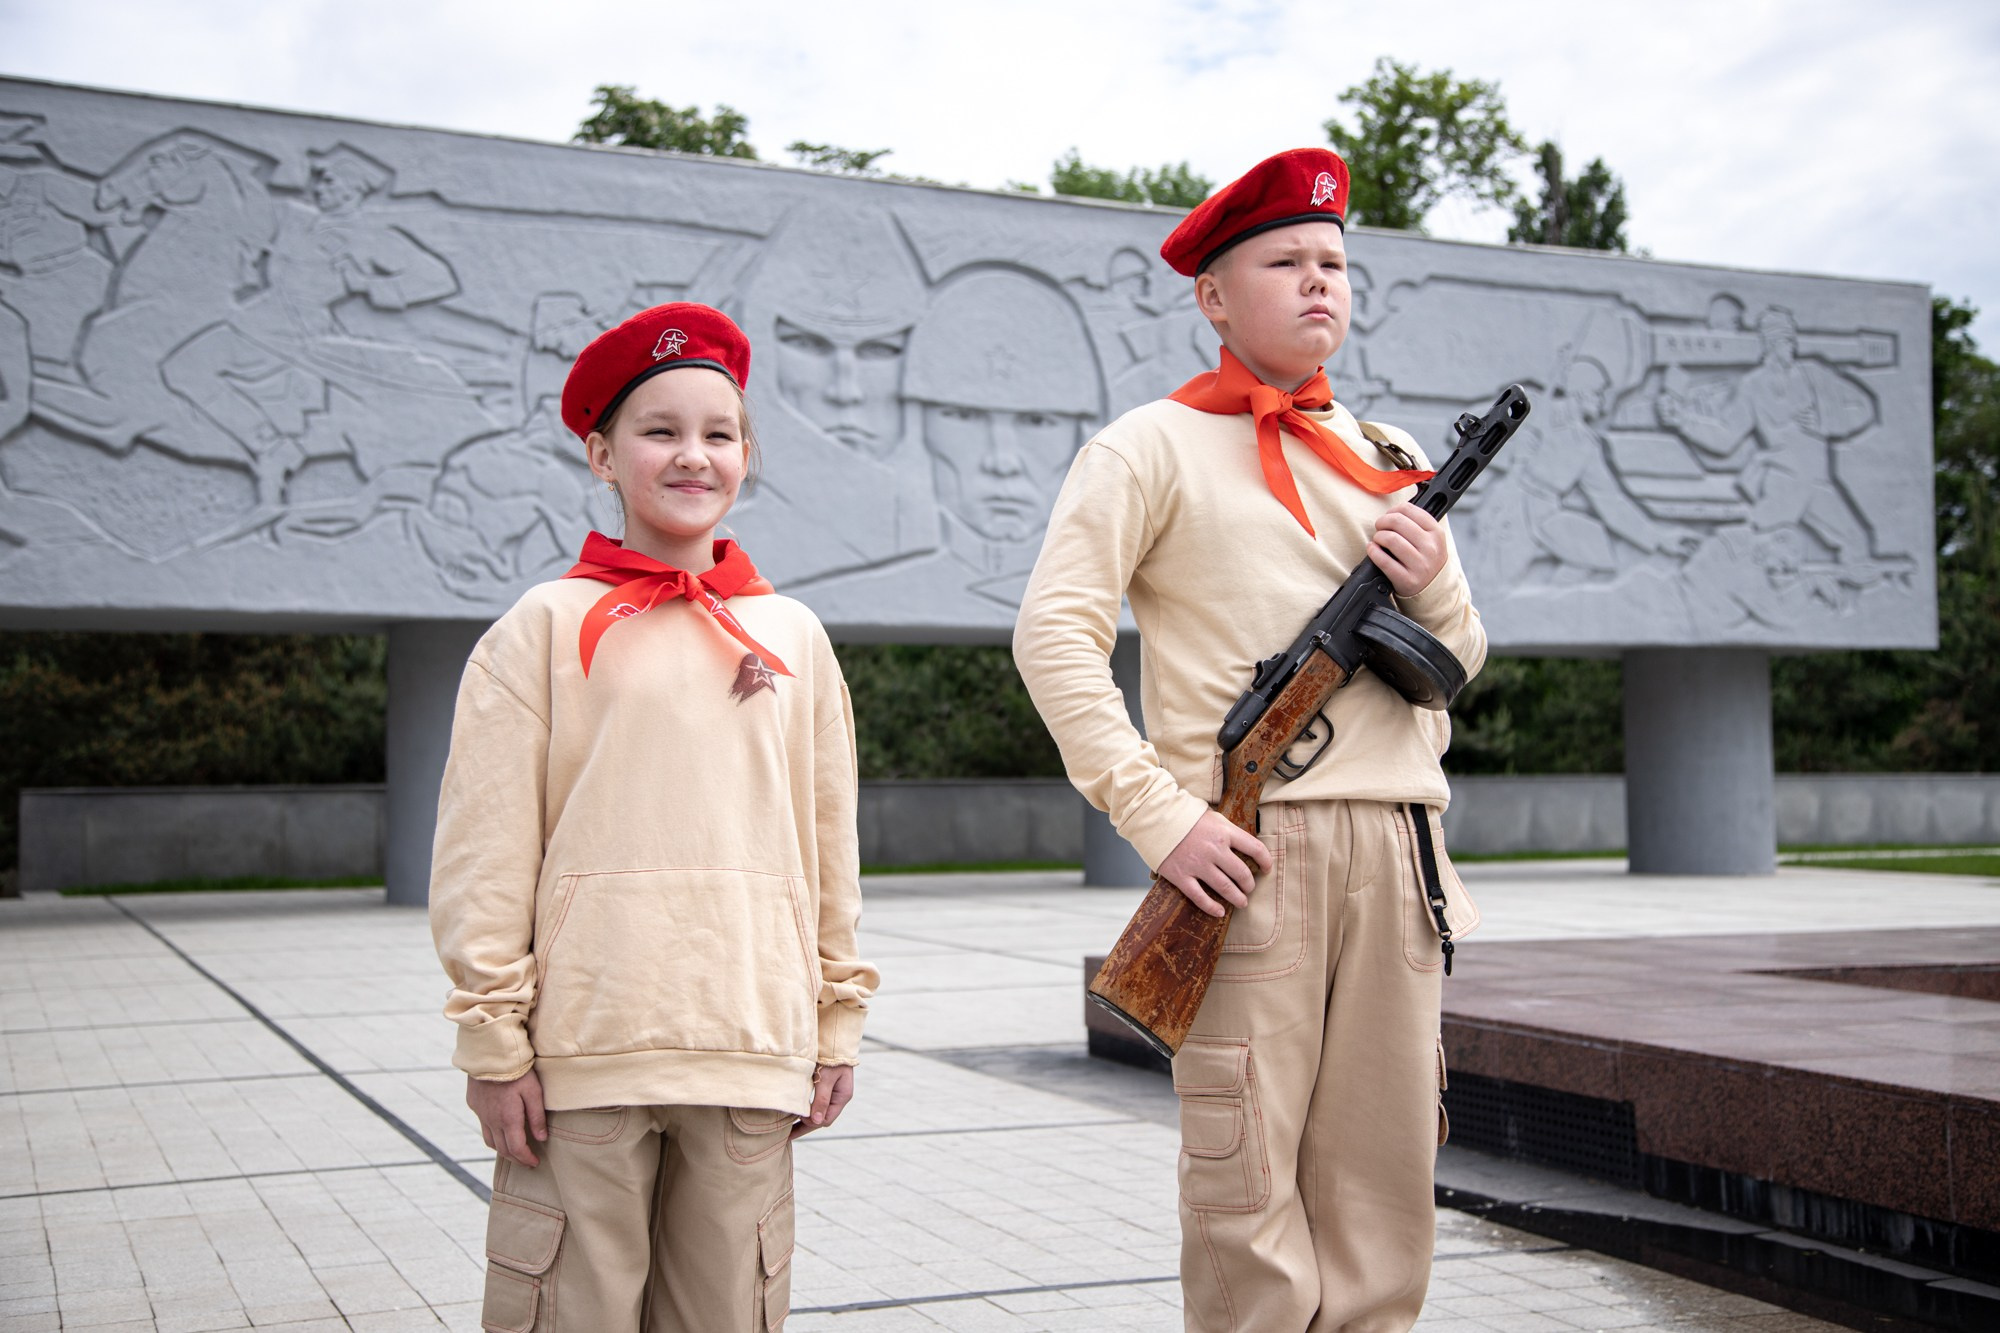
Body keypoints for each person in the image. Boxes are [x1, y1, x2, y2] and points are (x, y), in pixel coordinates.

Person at [1013, 149, 1483, 1331]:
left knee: (1383, 1183)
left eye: (1333, 262)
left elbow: (1460, 664)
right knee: (1246, 1184)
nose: (1318, 280)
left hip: (1397, 851)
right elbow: (1052, 639)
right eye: (1284, 262)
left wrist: (1428, 587)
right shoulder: (1147, 447)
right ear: (1212, 297)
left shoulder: (1389, 460)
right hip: (1244, 852)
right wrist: (1157, 814)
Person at [428, 302, 878, 1332]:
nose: (692, 456)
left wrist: (835, 1018)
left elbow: (827, 841)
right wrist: (494, 1041)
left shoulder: (792, 636)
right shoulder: (539, 629)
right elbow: (484, 853)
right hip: (583, 1053)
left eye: (718, 434)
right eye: (658, 431)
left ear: (746, 455)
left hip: (749, 1045)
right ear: (600, 453)